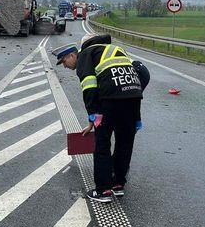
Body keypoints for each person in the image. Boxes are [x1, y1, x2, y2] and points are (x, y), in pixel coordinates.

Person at [52, 33, 146, 203]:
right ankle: (118, 184)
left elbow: (89, 88)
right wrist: (136, 116)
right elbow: (139, 77)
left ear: (73, 55)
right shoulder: (115, 49)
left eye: (64, 62)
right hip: (132, 100)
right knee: (125, 143)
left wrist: (94, 115)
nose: (65, 67)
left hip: (109, 100)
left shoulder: (85, 56)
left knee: (102, 143)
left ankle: (103, 190)